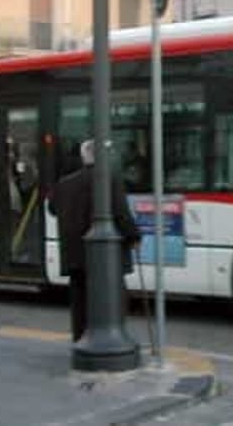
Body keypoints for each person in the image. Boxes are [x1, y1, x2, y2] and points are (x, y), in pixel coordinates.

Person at [50, 139, 142, 342]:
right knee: (111, 297)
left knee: (80, 301)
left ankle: (81, 339)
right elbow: (121, 213)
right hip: (105, 256)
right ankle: (112, 339)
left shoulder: (65, 183)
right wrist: (134, 236)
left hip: (75, 253)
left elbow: (53, 208)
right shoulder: (109, 179)